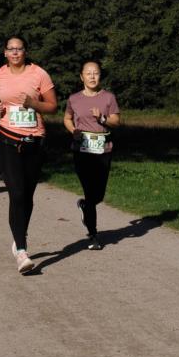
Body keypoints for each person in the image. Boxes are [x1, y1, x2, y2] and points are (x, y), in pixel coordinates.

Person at [0, 36, 57, 274]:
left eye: (19, 49)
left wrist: (33, 103)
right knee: (16, 193)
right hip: (7, 140)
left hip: (34, 142)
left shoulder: (39, 74)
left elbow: (53, 106)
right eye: (11, 49)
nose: (15, 52)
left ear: (25, 51)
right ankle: (21, 251)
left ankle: (19, 235)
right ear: (5, 52)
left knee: (27, 196)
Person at [63, 61, 121, 250]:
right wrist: (73, 131)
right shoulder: (74, 99)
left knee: (98, 195)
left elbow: (116, 121)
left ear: (100, 76)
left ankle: (85, 206)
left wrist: (102, 118)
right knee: (89, 191)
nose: (92, 76)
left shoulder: (108, 97)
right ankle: (93, 235)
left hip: (103, 150)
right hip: (82, 151)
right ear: (82, 77)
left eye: (95, 73)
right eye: (88, 73)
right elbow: (67, 118)